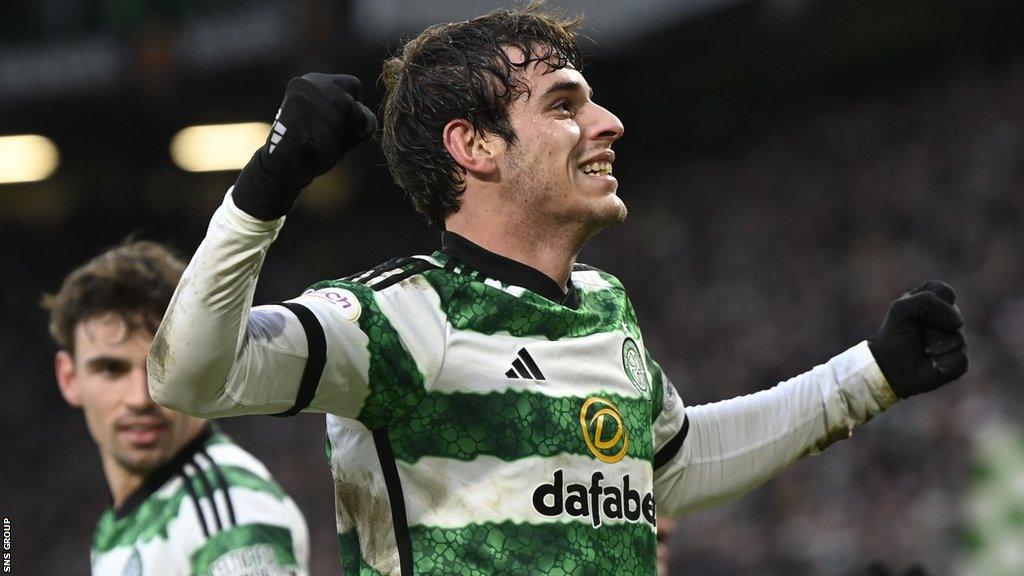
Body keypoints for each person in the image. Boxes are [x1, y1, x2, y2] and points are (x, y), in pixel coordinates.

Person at [147, 4, 968, 574]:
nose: (607, 123)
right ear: (474, 146)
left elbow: (676, 465)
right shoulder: (396, 317)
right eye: (565, 104)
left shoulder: (604, 306)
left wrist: (871, 375)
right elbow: (188, 377)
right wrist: (264, 190)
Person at [44, 241, 310, 576]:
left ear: (198, 363)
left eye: (162, 366)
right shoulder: (119, 525)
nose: (140, 398)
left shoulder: (230, 517)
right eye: (111, 370)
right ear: (69, 378)